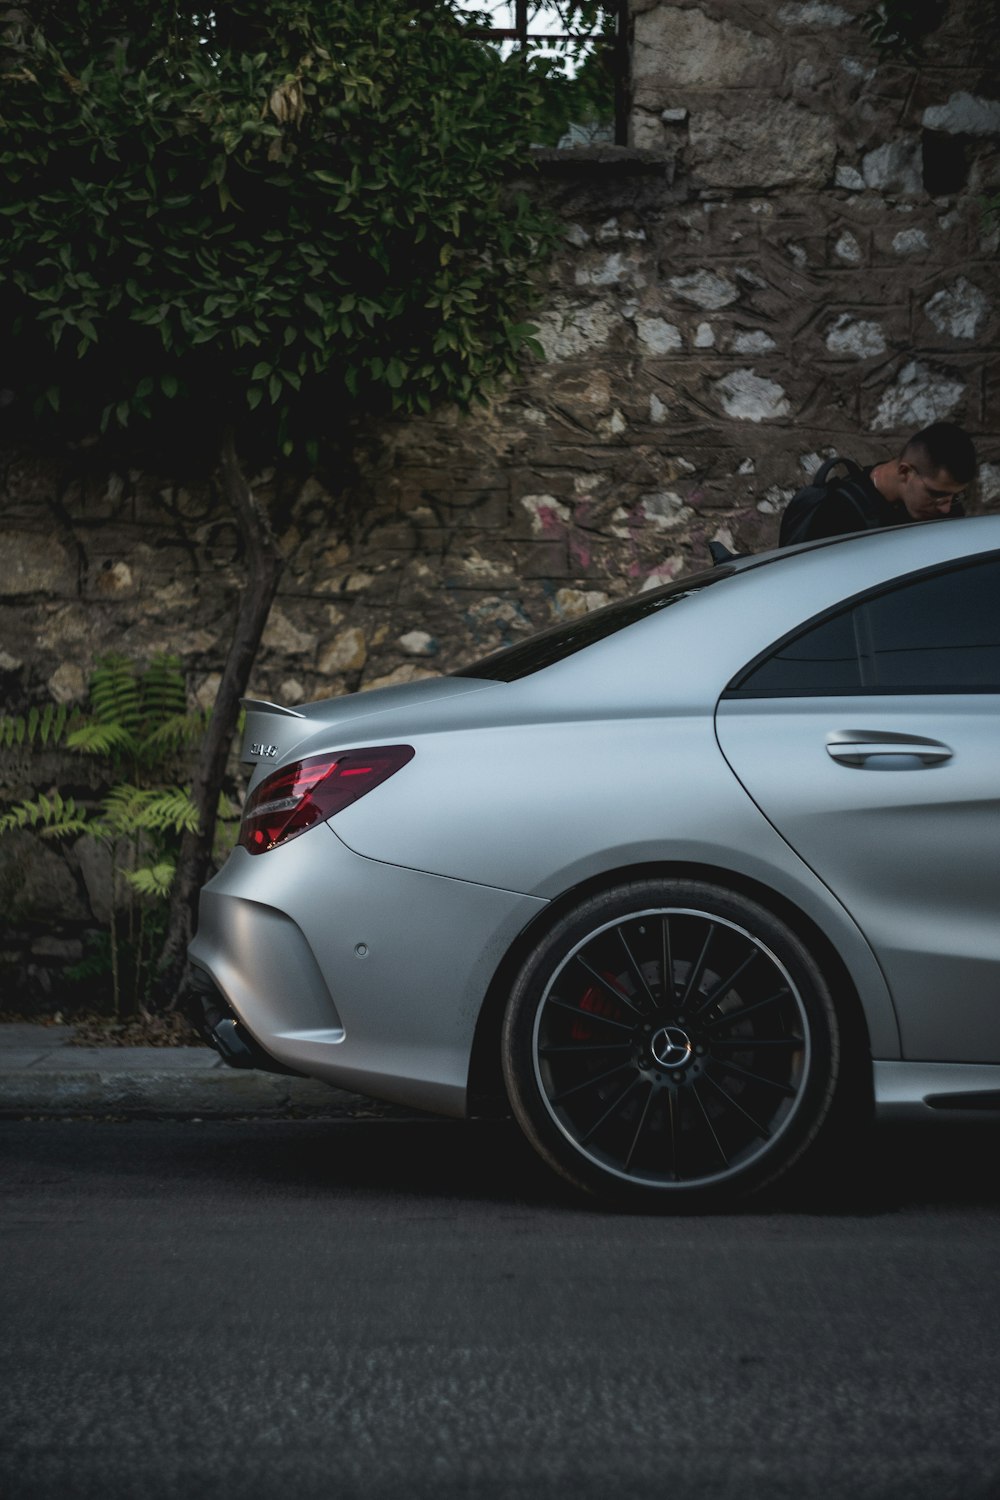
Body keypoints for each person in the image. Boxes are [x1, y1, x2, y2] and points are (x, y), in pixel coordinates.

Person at [778, 421, 977, 546]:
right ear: (905, 472)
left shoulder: (944, 511)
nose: (946, 508)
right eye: (936, 494)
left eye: (955, 495)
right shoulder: (838, 512)